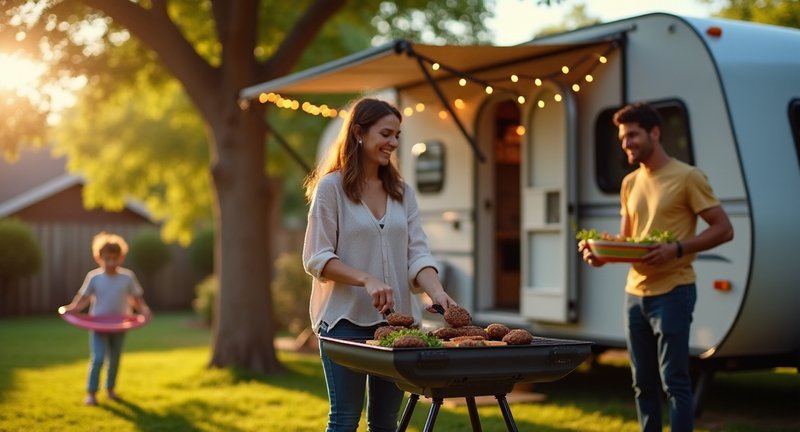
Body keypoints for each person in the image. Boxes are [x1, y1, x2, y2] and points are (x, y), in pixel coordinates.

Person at [302, 97, 458, 432]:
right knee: (345, 419)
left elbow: (417, 253)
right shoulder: (331, 189)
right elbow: (317, 257)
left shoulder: (403, 192)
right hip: (345, 322)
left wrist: (437, 292)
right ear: (359, 132)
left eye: (397, 135)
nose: (394, 143)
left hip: (398, 329)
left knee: (386, 422)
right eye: (386, 133)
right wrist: (366, 279)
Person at [579, 102, 733, 432]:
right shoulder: (629, 183)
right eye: (622, 138)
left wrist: (677, 248)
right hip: (635, 294)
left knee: (674, 382)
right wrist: (601, 254)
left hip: (674, 290)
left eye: (633, 135)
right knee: (642, 384)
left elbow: (724, 228)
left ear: (655, 133)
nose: (626, 144)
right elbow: (627, 241)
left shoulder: (688, 177)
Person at [60, 231, 152, 406]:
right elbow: (83, 297)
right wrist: (72, 309)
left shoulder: (127, 277)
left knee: (115, 359)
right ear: (98, 258)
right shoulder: (94, 277)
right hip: (99, 325)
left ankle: (110, 389)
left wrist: (144, 310)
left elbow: (136, 299)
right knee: (99, 357)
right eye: (107, 259)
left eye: (114, 258)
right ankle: (92, 392)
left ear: (121, 257)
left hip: (121, 324)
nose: (111, 262)